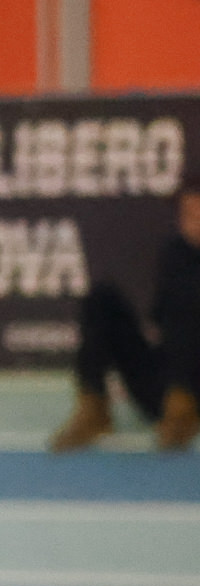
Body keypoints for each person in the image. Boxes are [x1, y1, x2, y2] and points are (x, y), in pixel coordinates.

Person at [50, 177, 199, 453]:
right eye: (187, 213)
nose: (193, 220)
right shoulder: (174, 254)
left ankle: (184, 409)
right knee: (102, 298)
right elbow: (161, 320)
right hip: (165, 388)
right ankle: (94, 406)